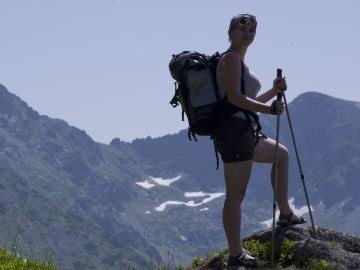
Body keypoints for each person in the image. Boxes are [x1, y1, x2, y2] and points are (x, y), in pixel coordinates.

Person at [213, 13, 305, 269]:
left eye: (252, 29)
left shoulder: (239, 61)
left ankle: (285, 213)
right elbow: (234, 98)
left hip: (244, 130)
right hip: (234, 133)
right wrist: (269, 111)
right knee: (235, 195)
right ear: (230, 32)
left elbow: (247, 102)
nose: (247, 32)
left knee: (281, 155)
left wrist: (273, 93)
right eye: (242, 28)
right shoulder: (230, 59)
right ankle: (235, 256)